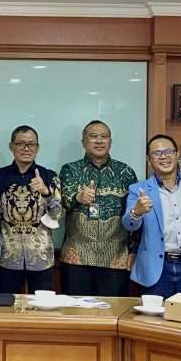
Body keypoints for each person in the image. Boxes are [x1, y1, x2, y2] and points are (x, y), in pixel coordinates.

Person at [124, 134, 181, 298]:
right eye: (157, 153)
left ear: (177, 154)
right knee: (154, 323)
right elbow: (128, 224)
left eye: (168, 152)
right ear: (149, 159)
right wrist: (137, 211)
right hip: (157, 270)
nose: (164, 157)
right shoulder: (138, 189)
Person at [60, 120, 138, 296]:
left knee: (112, 314)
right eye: (93, 136)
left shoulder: (125, 172)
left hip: (115, 258)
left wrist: (134, 251)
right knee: (76, 314)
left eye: (104, 137)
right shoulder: (70, 170)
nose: (99, 141)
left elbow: (136, 214)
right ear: (83, 142)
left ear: (110, 141)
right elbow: (62, 203)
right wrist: (78, 197)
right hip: (77, 258)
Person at [0, 125, 62, 293]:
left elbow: (57, 214)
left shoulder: (49, 176)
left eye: (31, 144)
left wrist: (46, 193)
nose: (26, 148)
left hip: (41, 257)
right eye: (20, 143)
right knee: (7, 309)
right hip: (7, 256)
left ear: (37, 148)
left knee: (40, 311)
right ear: (11, 146)